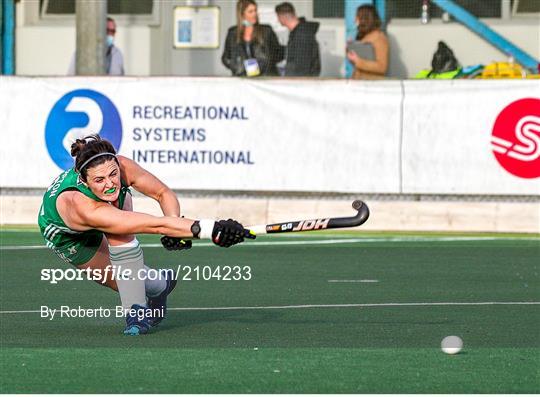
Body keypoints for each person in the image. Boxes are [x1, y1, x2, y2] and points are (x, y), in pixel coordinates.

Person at [38, 135, 254, 335]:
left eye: (113, 174)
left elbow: (162, 193)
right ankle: (162, 284)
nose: (110, 184)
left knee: (122, 244)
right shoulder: (83, 206)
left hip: (108, 215)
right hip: (67, 236)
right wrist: (212, 230)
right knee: (116, 281)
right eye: (99, 180)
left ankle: (136, 315)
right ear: (85, 181)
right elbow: (156, 225)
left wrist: (177, 225)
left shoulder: (122, 166)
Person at [222, 0, 284, 77]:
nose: (254, 14)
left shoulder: (266, 30)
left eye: (255, 10)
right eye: (250, 11)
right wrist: (239, 67)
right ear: (242, 14)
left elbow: (278, 54)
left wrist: (264, 64)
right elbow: (226, 58)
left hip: (266, 77)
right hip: (243, 78)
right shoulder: (232, 33)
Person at [275, 2, 320, 77]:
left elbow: (302, 66)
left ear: (282, 17)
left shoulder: (302, 34)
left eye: (278, 17)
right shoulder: (297, 33)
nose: (278, 20)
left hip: (301, 84)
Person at [346, 5, 388, 80]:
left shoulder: (379, 38)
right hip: (359, 82)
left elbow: (382, 67)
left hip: (372, 84)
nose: (355, 19)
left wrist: (358, 61)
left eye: (357, 16)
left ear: (365, 18)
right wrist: (350, 50)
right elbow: (359, 64)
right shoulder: (364, 36)